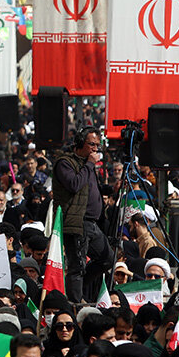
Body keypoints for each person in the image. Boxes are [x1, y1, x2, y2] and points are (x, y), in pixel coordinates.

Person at [51, 130, 111, 303]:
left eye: (97, 145)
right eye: (92, 144)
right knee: (77, 265)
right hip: (76, 222)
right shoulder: (65, 163)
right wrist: (90, 165)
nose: (95, 149)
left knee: (108, 259)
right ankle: (76, 302)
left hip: (92, 223)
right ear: (79, 143)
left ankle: (77, 286)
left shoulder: (87, 164)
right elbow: (74, 184)